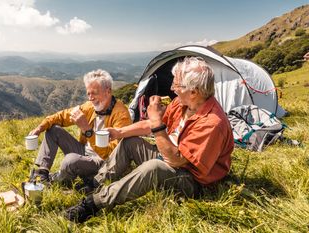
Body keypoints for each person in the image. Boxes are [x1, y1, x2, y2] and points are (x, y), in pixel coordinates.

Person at [65, 57, 234, 223]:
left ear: (194, 91)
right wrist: (119, 131)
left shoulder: (212, 123)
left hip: (193, 181)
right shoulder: (183, 103)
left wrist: (156, 122)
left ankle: (94, 203)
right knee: (129, 142)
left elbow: (175, 160)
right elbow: (150, 125)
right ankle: (97, 181)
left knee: (154, 168)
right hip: (170, 157)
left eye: (176, 85)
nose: (172, 88)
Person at [28, 69, 132, 187]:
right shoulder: (90, 107)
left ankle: (54, 181)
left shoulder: (121, 115)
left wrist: (87, 130)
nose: (90, 98)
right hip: (85, 152)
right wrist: (39, 128)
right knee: (53, 130)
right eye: (88, 93)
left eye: (94, 93)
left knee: (70, 160)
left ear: (108, 91)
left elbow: (111, 155)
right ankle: (42, 173)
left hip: (102, 161)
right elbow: (62, 116)